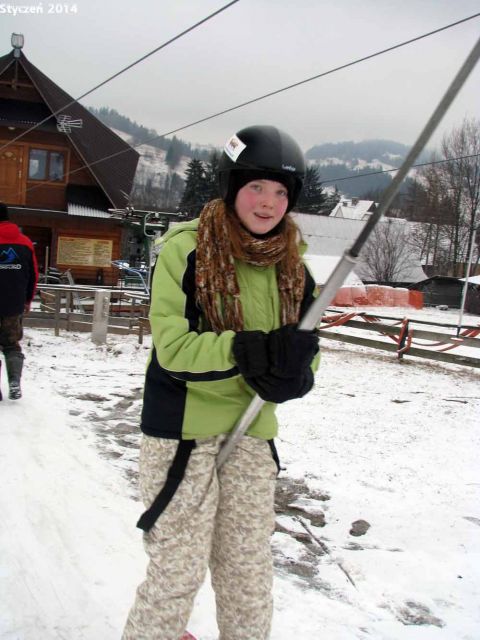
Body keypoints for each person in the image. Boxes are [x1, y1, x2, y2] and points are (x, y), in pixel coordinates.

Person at [122, 125, 319, 640]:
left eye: (280, 192)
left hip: (252, 433)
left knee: (247, 576)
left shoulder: (295, 268)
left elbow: (306, 352)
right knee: (177, 572)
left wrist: (294, 375)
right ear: (231, 187)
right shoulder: (186, 250)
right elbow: (173, 348)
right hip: (182, 433)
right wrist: (249, 351)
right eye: (256, 186)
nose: (268, 202)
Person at [0, 202, 38, 400]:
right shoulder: (25, 243)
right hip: (14, 304)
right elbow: (33, 275)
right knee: (11, 344)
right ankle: (14, 382)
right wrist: (28, 300)